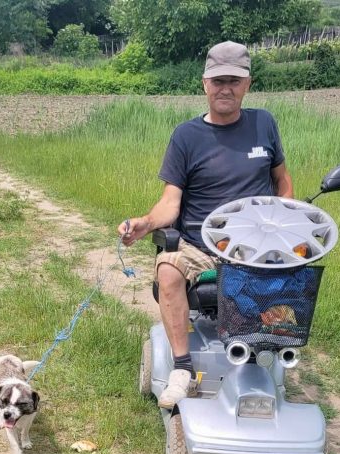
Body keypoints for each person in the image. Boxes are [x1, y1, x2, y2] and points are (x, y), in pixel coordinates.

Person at [117, 41, 294, 408]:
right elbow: (171, 202)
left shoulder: (264, 123)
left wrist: (286, 219)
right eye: (217, 80)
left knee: (295, 278)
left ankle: (264, 356)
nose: (224, 88)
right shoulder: (186, 136)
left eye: (233, 80)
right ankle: (182, 367)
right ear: (204, 84)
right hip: (201, 246)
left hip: (257, 247)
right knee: (167, 268)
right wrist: (145, 223)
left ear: (248, 84)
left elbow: (282, 181)